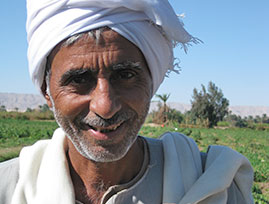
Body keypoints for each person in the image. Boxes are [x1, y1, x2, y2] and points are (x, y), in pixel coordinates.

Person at [0, 0, 254, 204]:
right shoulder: (7, 188)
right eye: (79, 79)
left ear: (151, 82)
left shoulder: (214, 186)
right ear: (47, 92)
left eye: (126, 75)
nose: (105, 106)